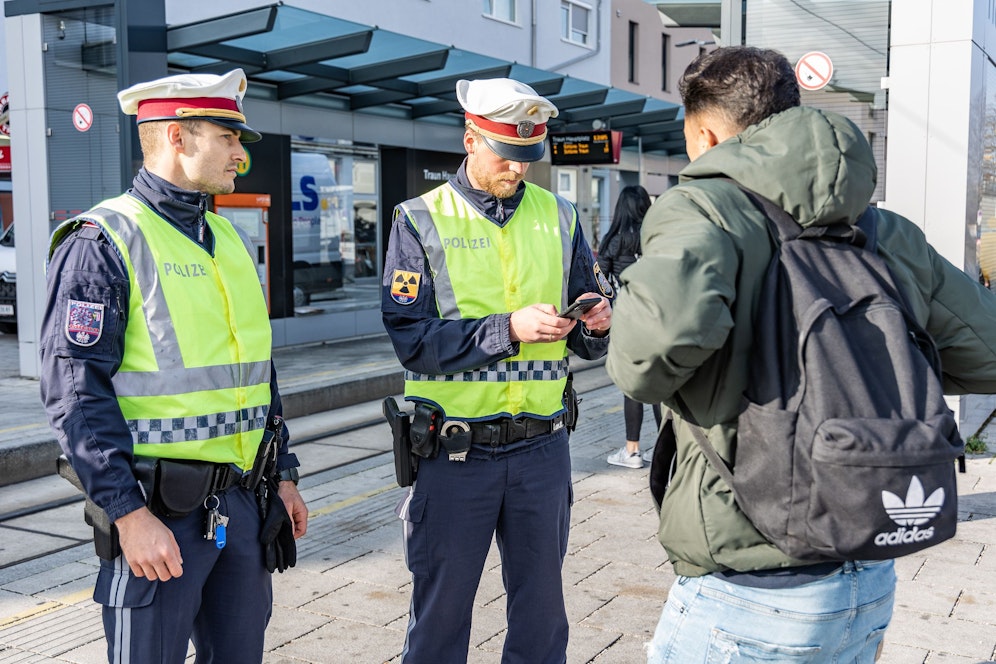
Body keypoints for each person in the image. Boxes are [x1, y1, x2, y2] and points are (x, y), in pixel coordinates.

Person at [606, 46, 996, 663]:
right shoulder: (883, 229)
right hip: (866, 575)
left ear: (705, 132)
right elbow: (986, 353)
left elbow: (644, 360)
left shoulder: (701, 209)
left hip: (746, 580)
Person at [39, 69, 308, 664]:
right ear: (177, 137)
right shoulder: (103, 240)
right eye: (228, 136)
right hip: (157, 511)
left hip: (242, 506)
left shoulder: (227, 237)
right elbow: (74, 391)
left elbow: (256, 373)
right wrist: (127, 514)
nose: (241, 153)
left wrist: (283, 472)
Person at [382, 77, 613, 664]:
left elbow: (585, 332)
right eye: (506, 156)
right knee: (440, 618)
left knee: (542, 618)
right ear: (470, 138)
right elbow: (411, 341)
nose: (518, 171)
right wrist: (506, 330)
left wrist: (596, 326)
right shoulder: (418, 218)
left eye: (528, 158)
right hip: (455, 456)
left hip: (542, 451)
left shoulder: (561, 216)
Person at [597, 185, 664, 469]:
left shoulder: (613, 239)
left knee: (632, 384)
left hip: (628, 318)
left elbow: (599, 282)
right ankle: (665, 450)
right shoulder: (656, 237)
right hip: (659, 316)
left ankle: (632, 451)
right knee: (660, 386)